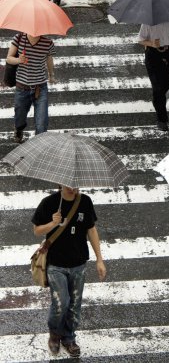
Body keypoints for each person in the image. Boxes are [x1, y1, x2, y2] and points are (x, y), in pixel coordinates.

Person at [32, 185, 106, 358]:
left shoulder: (85, 201)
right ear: (60, 184)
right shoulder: (49, 203)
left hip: (79, 263)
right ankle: (55, 335)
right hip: (55, 264)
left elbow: (91, 230)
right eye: (69, 185)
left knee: (74, 306)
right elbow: (36, 231)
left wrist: (99, 259)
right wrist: (53, 223)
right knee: (61, 303)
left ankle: (69, 338)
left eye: (76, 185)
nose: (73, 188)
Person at [138, 21, 169, 131]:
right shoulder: (147, 23)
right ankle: (162, 119)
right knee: (158, 88)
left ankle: (158, 99)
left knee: (167, 84)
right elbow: (140, 39)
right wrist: (151, 43)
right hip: (152, 54)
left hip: (168, 53)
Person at [6, 33, 55, 143]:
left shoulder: (48, 43)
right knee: (20, 117)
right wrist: (19, 60)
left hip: (40, 88)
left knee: (42, 123)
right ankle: (18, 129)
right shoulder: (18, 38)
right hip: (22, 87)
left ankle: (38, 145)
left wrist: (51, 75)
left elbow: (49, 59)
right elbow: (9, 58)